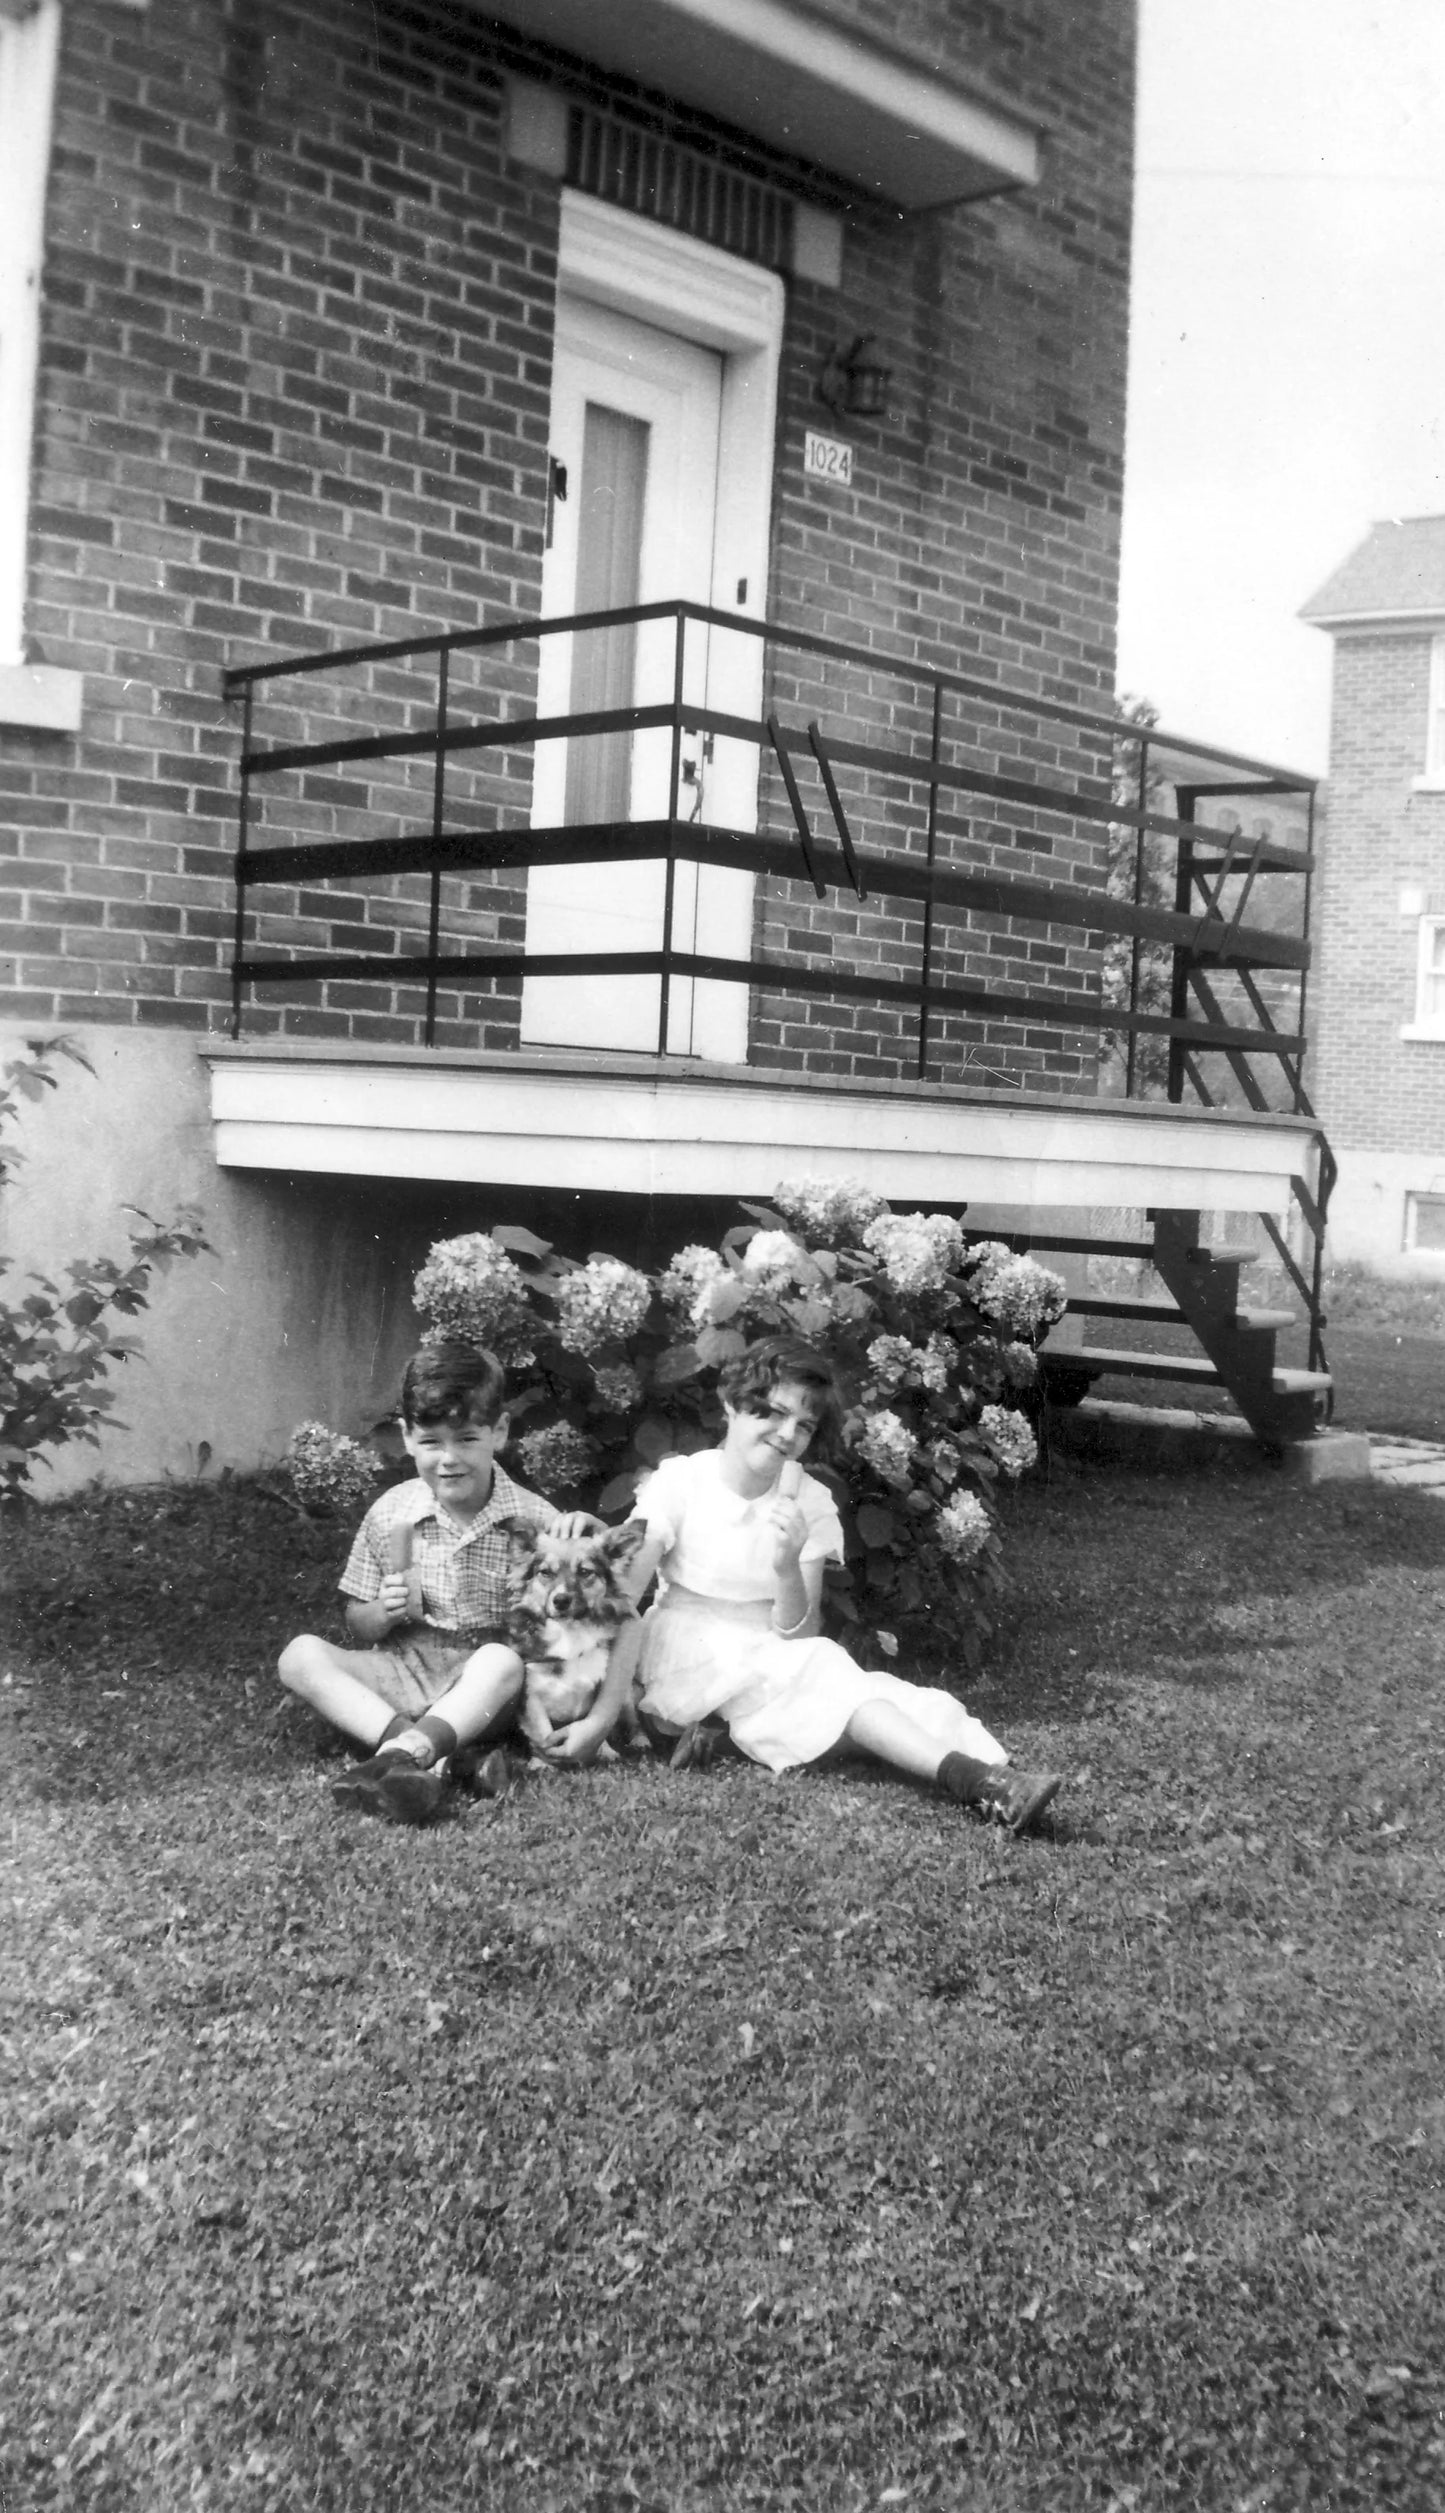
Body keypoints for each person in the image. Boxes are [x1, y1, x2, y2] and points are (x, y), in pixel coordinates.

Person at [623, 1336, 1062, 1831]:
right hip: (685, 1646)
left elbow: (799, 1632)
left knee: (888, 1701)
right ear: (731, 1405)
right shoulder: (682, 1483)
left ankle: (719, 1739)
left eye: (804, 1426)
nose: (786, 1435)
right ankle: (973, 1780)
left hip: (770, 1652)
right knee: (833, 1681)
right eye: (770, 1413)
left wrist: (787, 1566)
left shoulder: (806, 1501)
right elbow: (624, 1596)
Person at [277, 1340, 621, 1824]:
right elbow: (357, 1623)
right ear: (407, 1438)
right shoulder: (391, 1511)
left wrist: (589, 1534)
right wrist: (381, 1611)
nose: (449, 1458)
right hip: (402, 1666)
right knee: (300, 1655)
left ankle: (406, 1753)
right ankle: (423, 1752)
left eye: (466, 1439)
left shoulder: (535, 1521)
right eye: (432, 1441)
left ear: (499, 1431)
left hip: (487, 1686)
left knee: (500, 1662)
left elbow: (592, 1590)